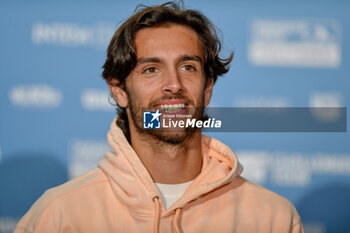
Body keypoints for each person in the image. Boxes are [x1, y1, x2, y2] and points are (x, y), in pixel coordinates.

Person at [14, 2, 303, 233]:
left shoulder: (272, 219)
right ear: (119, 90)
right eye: (151, 69)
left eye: (188, 67)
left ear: (208, 89)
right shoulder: (60, 215)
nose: (174, 84)